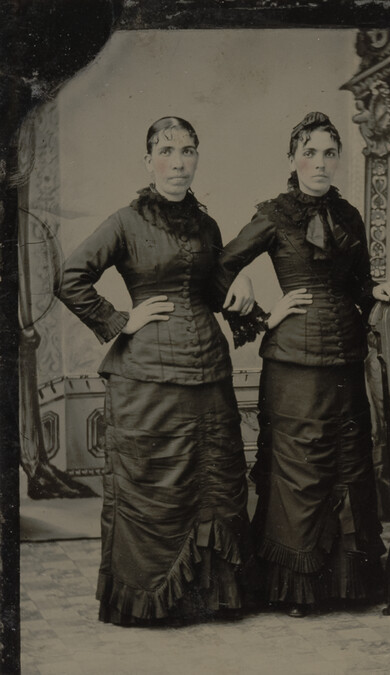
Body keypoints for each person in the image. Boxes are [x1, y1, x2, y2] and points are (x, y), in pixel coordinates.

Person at [55, 116, 296, 626]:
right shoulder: (124, 221)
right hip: (146, 378)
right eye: (166, 151)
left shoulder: (206, 225)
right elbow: (71, 276)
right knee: (156, 486)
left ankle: (212, 599)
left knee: (214, 483)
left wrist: (243, 287)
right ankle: (154, 603)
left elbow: (211, 289)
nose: (178, 162)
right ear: (149, 161)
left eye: (187, 151)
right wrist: (121, 320)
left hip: (208, 372)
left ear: (196, 159)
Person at [215, 112, 390, 617]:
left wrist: (376, 290)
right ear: (293, 157)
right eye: (310, 152)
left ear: (337, 159)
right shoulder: (274, 214)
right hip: (294, 359)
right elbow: (218, 267)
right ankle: (297, 589)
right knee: (301, 467)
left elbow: (358, 284)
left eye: (328, 153)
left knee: (349, 460)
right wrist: (261, 311)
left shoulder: (348, 216)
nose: (319, 163)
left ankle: (350, 585)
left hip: (345, 357)